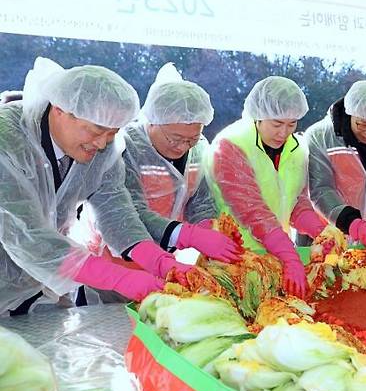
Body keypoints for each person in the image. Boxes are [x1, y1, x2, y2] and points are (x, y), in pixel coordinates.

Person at [0, 58, 190, 315]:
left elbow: (115, 207)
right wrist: (117, 278)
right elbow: (26, 235)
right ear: (60, 109)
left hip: (36, 288)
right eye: (96, 130)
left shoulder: (102, 147)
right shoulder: (7, 140)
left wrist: (154, 258)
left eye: (112, 133)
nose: (102, 144)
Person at [206, 76, 326, 298]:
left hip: (275, 254)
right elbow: (252, 211)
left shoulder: (296, 150)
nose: (284, 133)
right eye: (277, 124)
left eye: (292, 124)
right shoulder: (231, 146)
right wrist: (290, 255)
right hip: (234, 258)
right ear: (258, 116)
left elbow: (297, 201)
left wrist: (320, 231)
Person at [108, 63, 238, 263]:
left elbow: (201, 201)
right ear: (152, 122)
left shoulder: (199, 148)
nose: (182, 147)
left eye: (191, 139)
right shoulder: (126, 147)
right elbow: (129, 211)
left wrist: (209, 230)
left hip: (168, 253)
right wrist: (188, 235)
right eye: (174, 139)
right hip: (117, 255)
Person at [305, 80, 366, 250]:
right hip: (323, 234)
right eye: (363, 123)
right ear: (350, 112)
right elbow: (321, 190)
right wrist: (352, 223)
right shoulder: (320, 136)